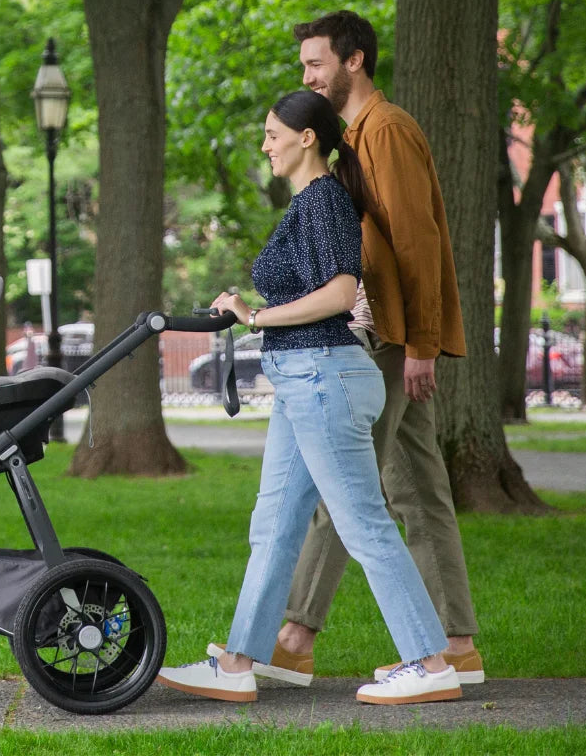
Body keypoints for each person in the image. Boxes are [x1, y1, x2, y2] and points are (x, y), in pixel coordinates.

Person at [156, 90, 462, 705]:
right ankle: (240, 662)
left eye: (272, 134)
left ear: (306, 139)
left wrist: (255, 316)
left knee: (364, 523)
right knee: (272, 524)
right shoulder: (310, 202)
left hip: (326, 376)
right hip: (304, 380)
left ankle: (431, 664)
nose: (265, 144)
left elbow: (341, 294)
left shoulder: (323, 200)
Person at [261, 9, 482, 688]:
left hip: (390, 337)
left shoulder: (384, 131)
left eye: (316, 64)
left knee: (344, 487)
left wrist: (418, 344)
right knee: (417, 487)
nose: (308, 76)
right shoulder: (356, 135)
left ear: (354, 61)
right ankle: (457, 645)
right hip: (387, 332)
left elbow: (416, 243)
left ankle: (295, 636)